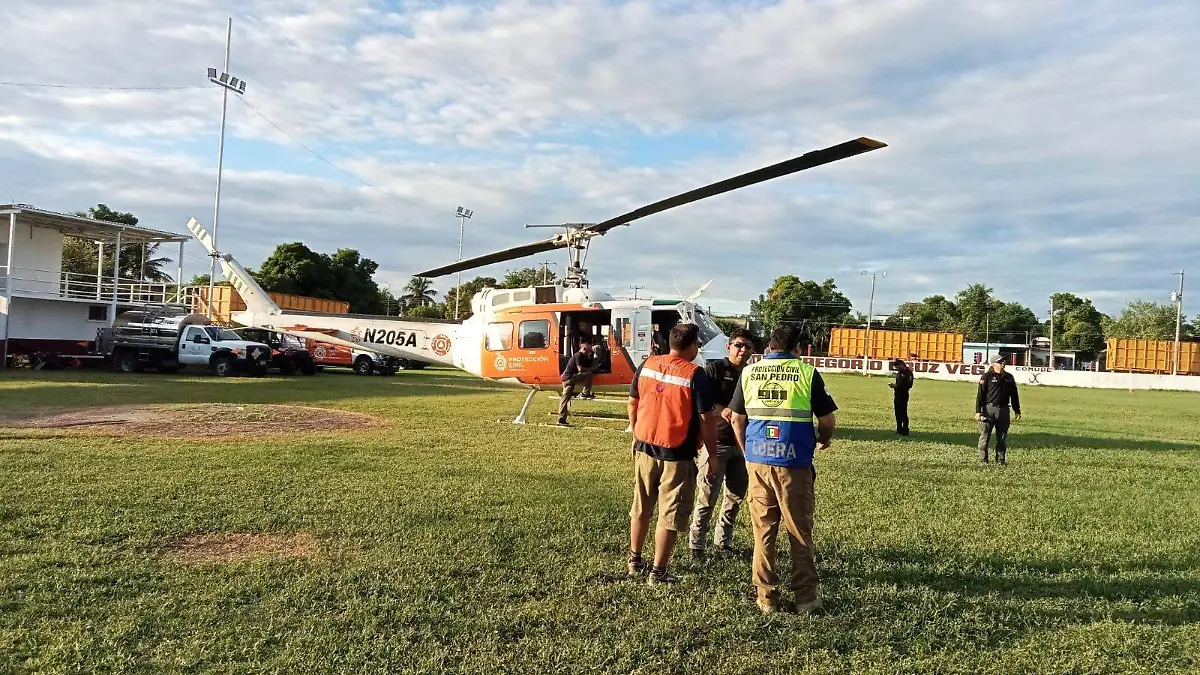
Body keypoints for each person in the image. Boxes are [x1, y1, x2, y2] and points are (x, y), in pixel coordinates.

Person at [729, 325, 837, 614]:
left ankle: (766, 598)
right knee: (799, 531)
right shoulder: (806, 373)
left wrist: (747, 451)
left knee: (763, 532)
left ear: (770, 346)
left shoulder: (750, 373)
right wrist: (822, 440)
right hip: (794, 464)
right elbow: (827, 421)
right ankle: (806, 599)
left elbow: (736, 419)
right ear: (797, 348)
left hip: (758, 462)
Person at [627, 323, 720, 586]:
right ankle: (659, 573)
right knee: (670, 513)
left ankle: (635, 561)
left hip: (644, 447)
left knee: (641, 507)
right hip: (677, 454)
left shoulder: (647, 365)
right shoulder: (695, 375)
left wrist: (636, 433)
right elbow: (706, 418)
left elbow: (632, 402)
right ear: (691, 346)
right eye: (697, 345)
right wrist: (712, 455)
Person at [688, 328, 755, 561]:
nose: (742, 350)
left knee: (735, 497)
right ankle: (696, 546)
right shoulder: (715, 369)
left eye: (747, 346)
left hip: (744, 445)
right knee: (707, 496)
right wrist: (725, 410)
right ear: (729, 347)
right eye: (738, 345)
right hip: (716, 442)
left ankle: (723, 542)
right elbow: (702, 405)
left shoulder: (751, 374)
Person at [976, 355, 1022, 465]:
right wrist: (978, 411)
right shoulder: (986, 376)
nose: (1003, 363)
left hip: (1004, 410)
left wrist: (1017, 410)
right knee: (985, 436)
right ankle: (983, 461)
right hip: (989, 409)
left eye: (1003, 361)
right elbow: (980, 395)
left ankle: (1000, 460)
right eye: (1000, 361)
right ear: (993, 364)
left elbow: (1014, 395)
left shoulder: (1009, 377)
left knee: (1002, 437)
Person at [556, 336, 597, 425]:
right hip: (569, 378)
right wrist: (592, 369)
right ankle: (585, 393)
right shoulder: (578, 355)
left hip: (568, 379)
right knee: (589, 374)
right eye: (588, 351)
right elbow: (580, 369)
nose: (589, 353)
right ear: (584, 349)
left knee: (564, 399)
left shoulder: (583, 356)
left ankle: (561, 419)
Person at [890, 358, 914, 435]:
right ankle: (899, 429)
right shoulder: (899, 373)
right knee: (897, 413)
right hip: (897, 395)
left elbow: (909, 385)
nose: (896, 369)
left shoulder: (908, 373)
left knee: (903, 413)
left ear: (901, 365)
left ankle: (905, 430)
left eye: (897, 367)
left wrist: (897, 386)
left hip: (903, 395)